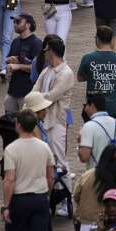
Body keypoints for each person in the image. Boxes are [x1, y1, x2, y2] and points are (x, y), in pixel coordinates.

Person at [1, 110, 55, 231]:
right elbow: (51, 177)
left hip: (20, 200)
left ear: (18, 125)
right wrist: (47, 195)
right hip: (40, 198)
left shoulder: (11, 149)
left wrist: (6, 206)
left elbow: (9, 179)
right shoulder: (45, 147)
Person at [31, 34, 75, 170]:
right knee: (45, 161)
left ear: (51, 52)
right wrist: (35, 97)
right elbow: (34, 90)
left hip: (56, 122)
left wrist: (35, 98)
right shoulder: (47, 70)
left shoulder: (66, 73)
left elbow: (51, 96)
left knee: (59, 162)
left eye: (46, 51)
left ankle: (65, 190)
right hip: (42, 121)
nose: (43, 54)